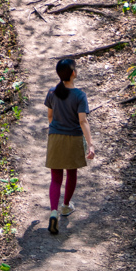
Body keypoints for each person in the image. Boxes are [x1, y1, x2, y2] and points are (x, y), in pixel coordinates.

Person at [44, 56, 95, 235]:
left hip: (55, 137)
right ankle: (65, 206)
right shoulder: (80, 95)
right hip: (73, 138)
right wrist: (90, 145)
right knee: (71, 173)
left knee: (55, 177)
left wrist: (55, 131)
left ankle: (53, 212)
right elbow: (83, 121)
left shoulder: (52, 92)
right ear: (73, 73)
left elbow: (50, 117)